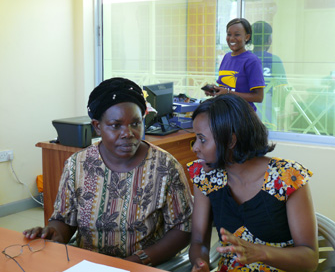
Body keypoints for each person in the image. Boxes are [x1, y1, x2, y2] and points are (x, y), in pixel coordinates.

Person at [23, 77, 193, 266]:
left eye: (135, 123)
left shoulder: (165, 167)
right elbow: (65, 219)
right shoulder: (77, 165)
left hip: (144, 265)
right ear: (97, 127)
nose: (128, 133)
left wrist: (135, 261)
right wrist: (53, 233)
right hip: (88, 265)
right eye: (116, 125)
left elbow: (183, 229)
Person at [187, 94, 318, 271]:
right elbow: (198, 241)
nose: (195, 147)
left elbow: (309, 259)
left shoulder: (287, 177)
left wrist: (260, 252)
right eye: (195, 138)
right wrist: (200, 262)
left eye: (202, 139)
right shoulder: (205, 177)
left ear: (231, 140)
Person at [204, 18, 265, 112]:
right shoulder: (226, 57)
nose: (232, 38)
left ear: (247, 37)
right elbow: (225, 87)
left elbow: (258, 97)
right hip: (224, 114)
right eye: (229, 34)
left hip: (242, 117)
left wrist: (228, 93)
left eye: (237, 35)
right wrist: (215, 90)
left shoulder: (252, 61)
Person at [252, 21, 287, 126]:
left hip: (245, 109)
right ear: (269, 40)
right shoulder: (274, 60)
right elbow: (282, 89)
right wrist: (280, 108)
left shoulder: (243, 58)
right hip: (267, 109)